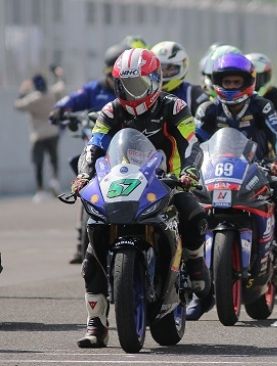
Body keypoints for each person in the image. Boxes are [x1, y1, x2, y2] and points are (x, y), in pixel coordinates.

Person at [72, 48, 211, 347]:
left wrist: (189, 170)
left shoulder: (174, 107)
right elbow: (93, 145)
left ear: (155, 80)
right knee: (93, 233)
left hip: (168, 183)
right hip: (119, 183)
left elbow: (192, 143)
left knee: (194, 215)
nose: (131, 93)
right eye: (124, 85)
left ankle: (195, 261)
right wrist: (84, 174)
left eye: (138, 85)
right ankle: (96, 323)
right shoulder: (110, 111)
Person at [195, 52, 277, 263]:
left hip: (257, 170)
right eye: (227, 81)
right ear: (218, 82)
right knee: (186, 208)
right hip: (213, 173)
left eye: (237, 82)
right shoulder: (207, 110)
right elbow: (194, 142)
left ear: (248, 82)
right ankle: (192, 266)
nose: (232, 86)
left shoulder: (262, 106)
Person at [50, 43, 127, 264]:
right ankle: (81, 241)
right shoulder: (94, 89)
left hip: (127, 153)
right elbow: (72, 100)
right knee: (84, 186)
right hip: (99, 152)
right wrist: (60, 109)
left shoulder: (138, 97)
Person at [15, 72, 65, 202]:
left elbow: (18, 105)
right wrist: (57, 74)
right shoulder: (52, 93)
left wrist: (23, 90)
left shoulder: (33, 99)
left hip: (38, 135)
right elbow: (60, 87)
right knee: (54, 159)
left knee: (38, 163)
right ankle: (54, 180)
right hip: (53, 132)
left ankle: (40, 191)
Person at [150, 41, 208, 116]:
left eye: (170, 69)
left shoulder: (193, 93)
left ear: (183, 66)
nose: (163, 73)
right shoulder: (145, 92)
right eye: (159, 68)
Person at [246, 53, 277, 126]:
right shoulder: (234, 98)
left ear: (267, 76)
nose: (254, 82)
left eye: (258, 77)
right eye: (250, 78)